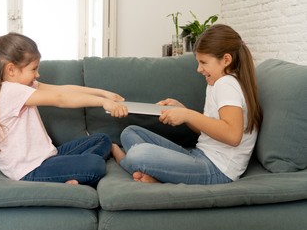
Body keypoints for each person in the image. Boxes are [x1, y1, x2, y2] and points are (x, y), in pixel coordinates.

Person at [112, 24, 263, 185]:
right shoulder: (216, 82)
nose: (199, 69)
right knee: (130, 132)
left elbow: (232, 136)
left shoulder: (226, 84)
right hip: (200, 155)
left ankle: (126, 161)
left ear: (226, 60)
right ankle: (157, 175)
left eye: (203, 62)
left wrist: (188, 115)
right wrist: (182, 111)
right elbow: (211, 131)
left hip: (216, 169)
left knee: (138, 154)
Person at [0, 32, 128, 186]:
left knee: (102, 139)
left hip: (46, 157)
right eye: (34, 69)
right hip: (29, 169)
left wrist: (103, 94)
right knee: (96, 166)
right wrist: (102, 103)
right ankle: (71, 173)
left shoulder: (22, 86)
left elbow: (63, 90)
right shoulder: (10, 91)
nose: (38, 74)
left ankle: (69, 173)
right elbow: (60, 99)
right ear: (11, 70)